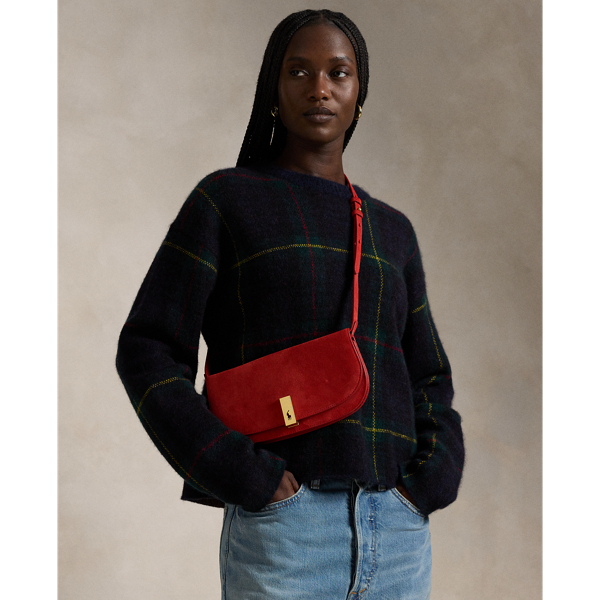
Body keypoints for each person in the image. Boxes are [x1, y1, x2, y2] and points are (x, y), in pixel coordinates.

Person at [116, 9, 464, 600]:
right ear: (274, 89)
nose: (320, 88)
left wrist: (428, 484)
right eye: (299, 71)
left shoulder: (392, 231)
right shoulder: (227, 201)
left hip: (399, 533)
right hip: (285, 534)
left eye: (339, 72)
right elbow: (147, 349)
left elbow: (428, 374)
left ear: (360, 94)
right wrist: (243, 475)